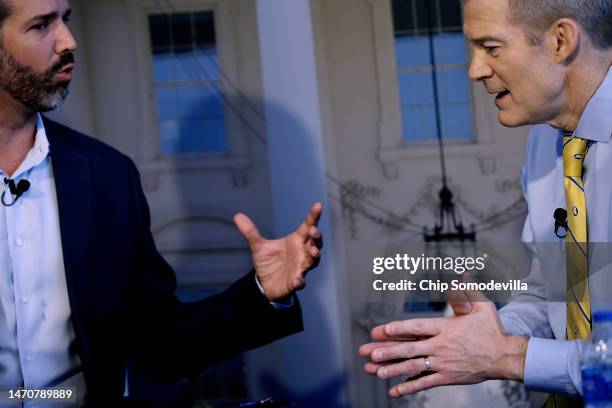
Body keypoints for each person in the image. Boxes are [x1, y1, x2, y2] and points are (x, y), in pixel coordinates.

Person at [0, 0, 323, 406]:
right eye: (41, 26)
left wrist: (264, 293)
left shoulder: (107, 177)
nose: (69, 41)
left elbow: (161, 346)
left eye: (65, 20)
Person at [359, 0, 612, 403]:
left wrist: (510, 356)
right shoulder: (543, 143)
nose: (475, 70)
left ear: (560, 41)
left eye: (491, 48)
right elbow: (552, 293)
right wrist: (485, 333)